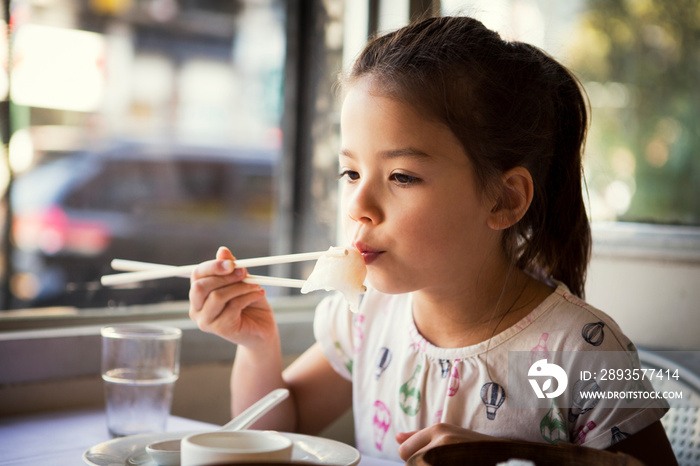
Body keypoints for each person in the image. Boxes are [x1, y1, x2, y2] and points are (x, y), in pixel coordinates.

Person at [188, 15, 677, 464]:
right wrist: (257, 346)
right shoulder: (365, 314)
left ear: (504, 199)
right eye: (351, 172)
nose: (358, 205)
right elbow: (278, 432)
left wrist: (515, 456)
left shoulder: (583, 351)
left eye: (401, 176)